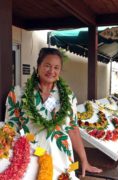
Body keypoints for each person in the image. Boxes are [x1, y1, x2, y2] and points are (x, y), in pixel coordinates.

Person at [5, 47, 102, 179]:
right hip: (32, 159)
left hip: (62, 160)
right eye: (47, 66)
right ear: (38, 66)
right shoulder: (18, 95)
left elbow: (72, 128)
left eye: (56, 67)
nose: (52, 71)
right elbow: (10, 131)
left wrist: (84, 160)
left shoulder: (68, 97)